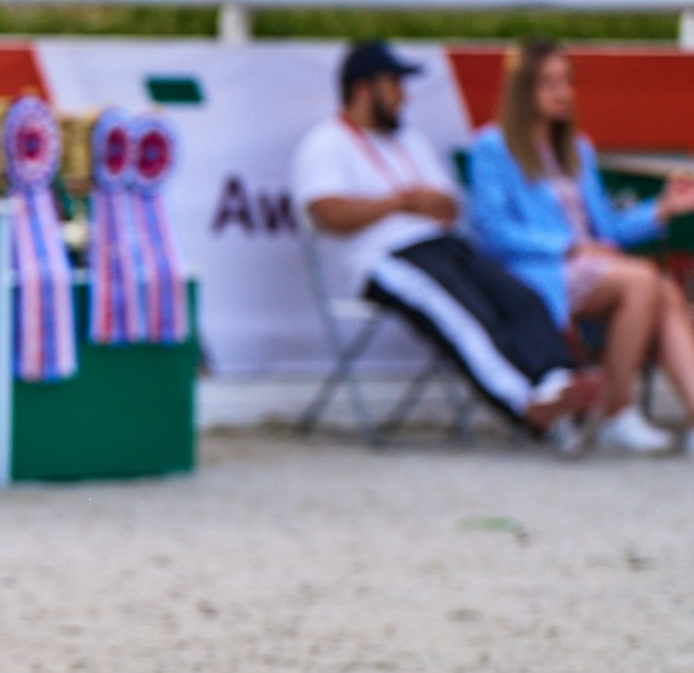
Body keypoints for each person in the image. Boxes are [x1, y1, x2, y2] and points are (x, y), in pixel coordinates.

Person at [291, 40, 611, 445]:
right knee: (466, 314)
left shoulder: (409, 140)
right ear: (363, 89)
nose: (403, 95)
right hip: (383, 259)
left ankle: (559, 380)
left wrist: (417, 204)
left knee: (518, 296)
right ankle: (527, 403)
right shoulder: (326, 143)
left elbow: (447, 204)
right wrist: (401, 202)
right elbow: (328, 214)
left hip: (442, 245)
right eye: (394, 84)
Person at [466, 38, 694, 448]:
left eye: (566, 82)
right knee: (645, 282)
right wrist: (569, 248)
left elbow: (607, 231)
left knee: (663, 291)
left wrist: (660, 210)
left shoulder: (577, 150)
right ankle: (615, 410)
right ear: (523, 91)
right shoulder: (492, 147)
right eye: (548, 83)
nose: (562, 93)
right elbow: (494, 232)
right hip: (536, 274)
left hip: (596, 269)